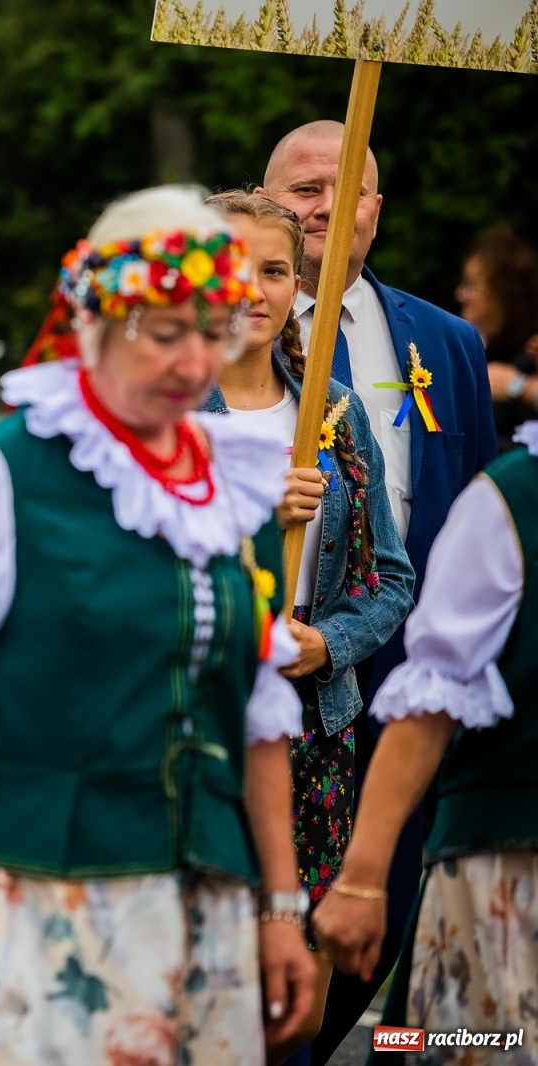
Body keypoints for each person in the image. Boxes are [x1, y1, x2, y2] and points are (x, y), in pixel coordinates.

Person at [0, 187, 316, 1065]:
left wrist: (279, 908)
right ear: (99, 322)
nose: (194, 359)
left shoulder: (233, 486)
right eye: (166, 331)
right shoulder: (7, 471)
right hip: (40, 898)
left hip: (208, 902)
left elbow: (257, 719)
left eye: (213, 330)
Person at [259, 120, 499, 1063]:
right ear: (266, 204)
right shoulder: (218, 343)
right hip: (274, 675)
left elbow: (482, 510)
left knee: (381, 908)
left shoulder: (447, 342)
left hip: (410, 675)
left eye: (346, 189)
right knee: (270, 908)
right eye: (303, 189)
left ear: (377, 210)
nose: (326, 207)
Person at [202, 190, 415, 1060]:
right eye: (232, 268)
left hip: (315, 734)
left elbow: (391, 579)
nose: (253, 290)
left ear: (299, 286)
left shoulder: (332, 413)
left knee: (295, 997)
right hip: (202, 729)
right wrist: (254, 514)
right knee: (203, 975)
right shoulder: (160, 417)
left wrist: (329, 643)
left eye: (275, 271)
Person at [313, 420, 538, 1063]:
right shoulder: (511, 498)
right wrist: (362, 881)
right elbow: (429, 703)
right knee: (469, 1042)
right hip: (509, 871)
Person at [457, 224, 538, 451]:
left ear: (504, 292)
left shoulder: (528, 360)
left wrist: (518, 387)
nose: (461, 294)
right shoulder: (484, 353)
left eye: (471, 285)